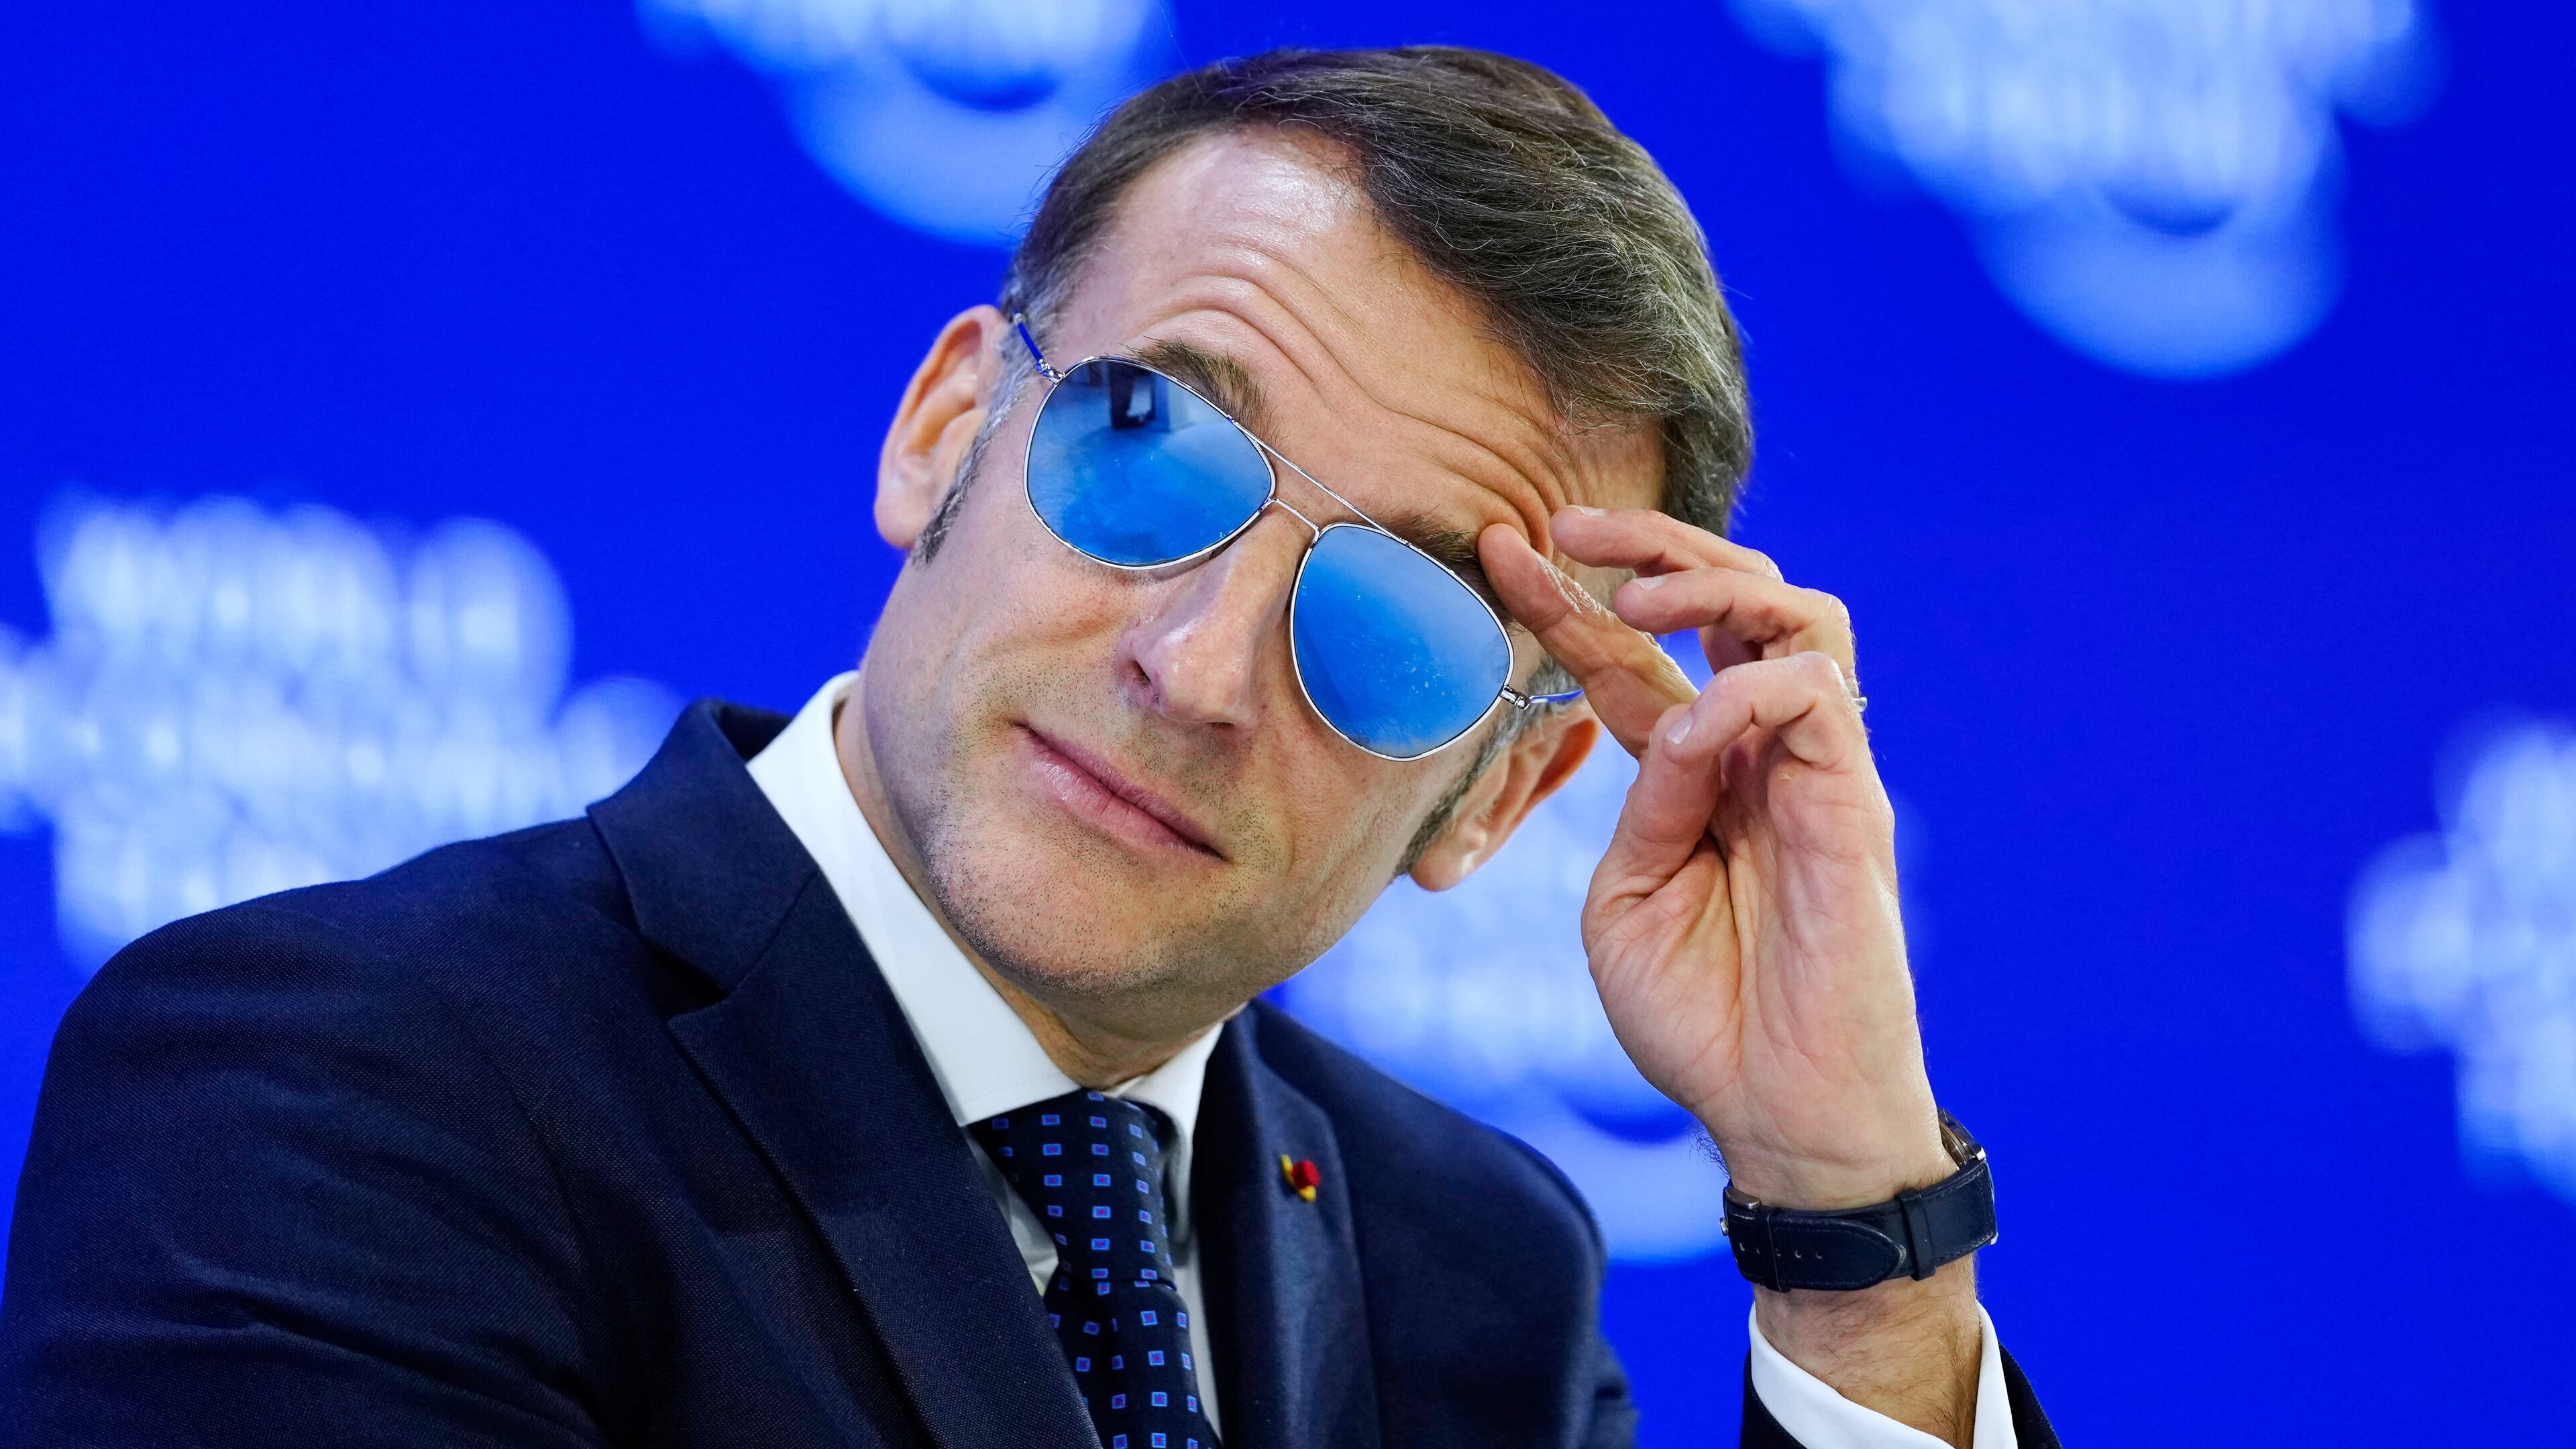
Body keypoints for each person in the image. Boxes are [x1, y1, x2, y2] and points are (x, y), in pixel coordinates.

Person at [0, 46, 2057, 1449]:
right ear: (945, 434)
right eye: (1149, 451)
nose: (1197, 661)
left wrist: (1850, 1224)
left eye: (1402, 621)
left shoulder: (1472, 1276)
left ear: (1500, 792)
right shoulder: (339, 1077)